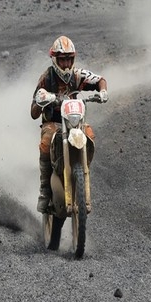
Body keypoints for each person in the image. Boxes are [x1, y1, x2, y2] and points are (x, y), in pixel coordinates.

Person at [31, 35, 108, 213]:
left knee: (89, 135)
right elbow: (33, 113)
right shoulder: (46, 78)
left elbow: (100, 80)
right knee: (46, 143)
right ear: (55, 59)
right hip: (53, 122)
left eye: (69, 59)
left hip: (74, 121)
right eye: (62, 59)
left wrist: (103, 92)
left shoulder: (78, 75)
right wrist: (42, 101)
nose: (66, 64)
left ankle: (82, 170)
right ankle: (44, 191)